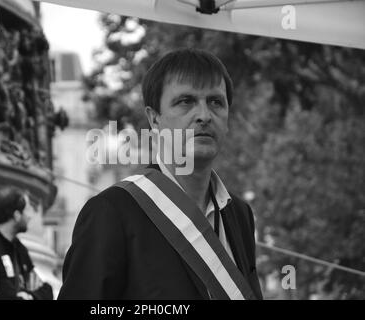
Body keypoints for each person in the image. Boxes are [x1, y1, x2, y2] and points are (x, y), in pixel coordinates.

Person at [58, 48, 263, 300]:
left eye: (216, 102)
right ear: (154, 119)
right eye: (186, 101)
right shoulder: (111, 212)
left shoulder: (240, 214)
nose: (204, 115)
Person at [0, 186, 53, 300]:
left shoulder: (20, 249)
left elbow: (47, 291)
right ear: (17, 215)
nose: (30, 216)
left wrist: (29, 296)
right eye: (28, 209)